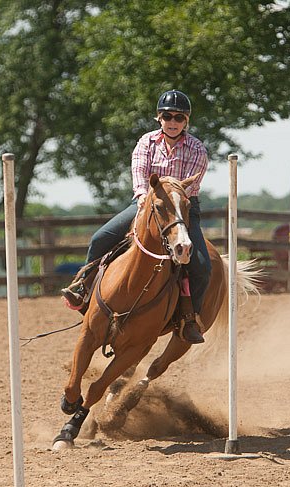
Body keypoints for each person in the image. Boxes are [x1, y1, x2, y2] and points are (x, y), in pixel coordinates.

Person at [61, 89, 211, 344]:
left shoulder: (197, 150)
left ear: (186, 121)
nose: (172, 122)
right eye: (167, 116)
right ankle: (83, 289)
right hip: (145, 204)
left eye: (178, 117)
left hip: (182, 209)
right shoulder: (146, 142)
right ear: (158, 118)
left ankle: (188, 317)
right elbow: (140, 175)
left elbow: (187, 189)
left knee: (201, 266)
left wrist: (168, 203)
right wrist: (143, 197)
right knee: (100, 238)